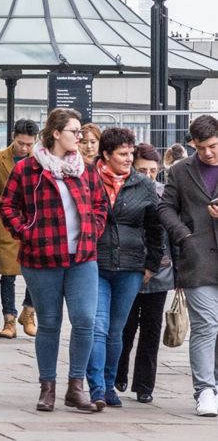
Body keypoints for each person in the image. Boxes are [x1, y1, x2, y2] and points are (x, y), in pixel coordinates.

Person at [0, 108, 107, 413]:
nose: (81, 137)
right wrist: (25, 232)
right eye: (75, 131)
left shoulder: (86, 169)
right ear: (57, 133)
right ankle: (47, 387)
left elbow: (100, 203)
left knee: (85, 319)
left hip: (82, 257)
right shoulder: (28, 169)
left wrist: (94, 228)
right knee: (48, 322)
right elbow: (7, 205)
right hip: (41, 257)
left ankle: (76, 387)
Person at [86, 129, 164, 409]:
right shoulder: (88, 178)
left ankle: (109, 385)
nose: (129, 158)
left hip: (131, 266)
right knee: (98, 327)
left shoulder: (143, 184)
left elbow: (155, 226)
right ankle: (96, 387)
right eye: (122, 153)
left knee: (116, 331)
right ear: (106, 155)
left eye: (131, 153)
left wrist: (151, 264)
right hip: (94, 263)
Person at [158, 114, 218, 417]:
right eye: (201, 148)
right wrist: (183, 234)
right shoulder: (181, 171)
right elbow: (165, 207)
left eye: (213, 146)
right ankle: (205, 390)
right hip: (197, 259)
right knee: (206, 325)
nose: (207, 153)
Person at [115, 143, 174, 404]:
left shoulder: (164, 195)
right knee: (124, 326)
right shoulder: (125, 192)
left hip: (159, 271)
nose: (148, 175)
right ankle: (119, 373)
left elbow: (170, 235)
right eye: (142, 169)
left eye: (153, 170)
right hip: (128, 267)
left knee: (151, 330)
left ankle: (144, 385)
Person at [0, 119, 39, 339]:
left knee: (37, 271)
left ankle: (29, 312)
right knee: (8, 273)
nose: (24, 148)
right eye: (21, 142)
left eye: (29, 144)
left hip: (34, 222)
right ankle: (9, 320)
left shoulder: (40, 160)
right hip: (6, 222)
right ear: (13, 137)